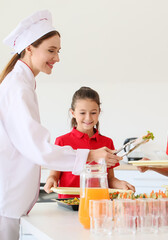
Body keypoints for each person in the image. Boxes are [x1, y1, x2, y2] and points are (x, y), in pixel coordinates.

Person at [0, 10, 121, 239]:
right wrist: (91, 156)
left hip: (10, 198)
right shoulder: (17, 88)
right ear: (29, 48)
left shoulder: (21, 84)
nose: (57, 58)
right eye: (51, 51)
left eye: (58, 51)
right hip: (6, 198)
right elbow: (39, 148)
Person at [44, 87, 135, 198]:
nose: (88, 118)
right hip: (70, 203)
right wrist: (51, 180)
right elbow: (54, 175)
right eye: (82, 113)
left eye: (93, 113)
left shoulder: (107, 142)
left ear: (99, 112)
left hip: (99, 202)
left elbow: (110, 179)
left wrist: (120, 184)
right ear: (72, 113)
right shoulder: (62, 141)